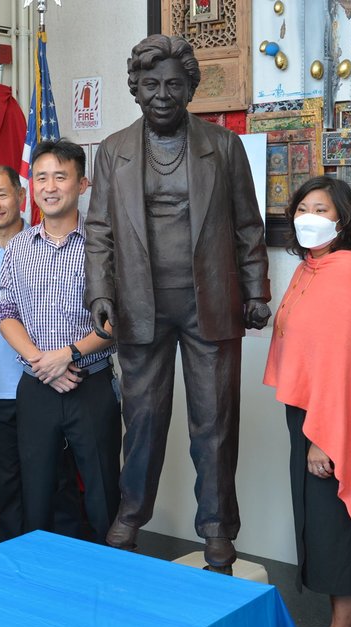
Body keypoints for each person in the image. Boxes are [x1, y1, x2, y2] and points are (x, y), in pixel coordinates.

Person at [85, 34, 271, 572]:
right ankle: (130, 514)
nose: (162, 95)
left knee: (214, 422)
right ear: (136, 89)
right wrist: (101, 292)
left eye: (172, 84)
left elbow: (247, 227)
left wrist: (255, 292)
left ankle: (217, 530)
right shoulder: (114, 150)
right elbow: (99, 231)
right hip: (139, 303)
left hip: (209, 303)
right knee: (143, 420)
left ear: (190, 89)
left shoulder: (224, 146)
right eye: (150, 85)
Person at [263, 177, 351, 627]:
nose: (309, 217)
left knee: (336, 528)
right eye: (302, 208)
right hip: (307, 415)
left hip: (331, 419)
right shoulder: (310, 267)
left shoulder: (347, 270)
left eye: (321, 209)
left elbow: (343, 365)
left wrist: (324, 438)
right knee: (319, 525)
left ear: (343, 220)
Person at [0, 139, 121, 542]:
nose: (49, 187)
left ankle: (110, 572)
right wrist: (42, 363)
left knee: (103, 493)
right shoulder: (18, 247)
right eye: (41, 177)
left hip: (91, 385)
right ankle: (42, 575)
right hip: (36, 387)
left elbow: (120, 319)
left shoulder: (104, 246)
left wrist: (67, 355)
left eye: (60, 177)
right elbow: (5, 313)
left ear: (82, 184)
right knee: (39, 496)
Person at [0, 165, 84, 542]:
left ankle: (61, 558)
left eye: (2, 194)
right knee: (9, 483)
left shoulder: (47, 245)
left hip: (48, 383)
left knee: (58, 480)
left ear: (20, 195)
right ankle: (14, 560)